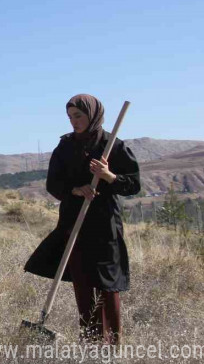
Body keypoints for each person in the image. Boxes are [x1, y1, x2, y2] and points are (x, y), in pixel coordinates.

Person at [24, 94, 140, 344]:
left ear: (93, 114)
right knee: (84, 285)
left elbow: (133, 184)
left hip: (104, 226)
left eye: (78, 116)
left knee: (108, 287)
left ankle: (112, 349)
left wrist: (108, 175)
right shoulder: (65, 147)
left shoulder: (114, 146)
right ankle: (90, 345)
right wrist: (76, 189)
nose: (74, 122)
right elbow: (53, 184)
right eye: (70, 117)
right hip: (74, 224)